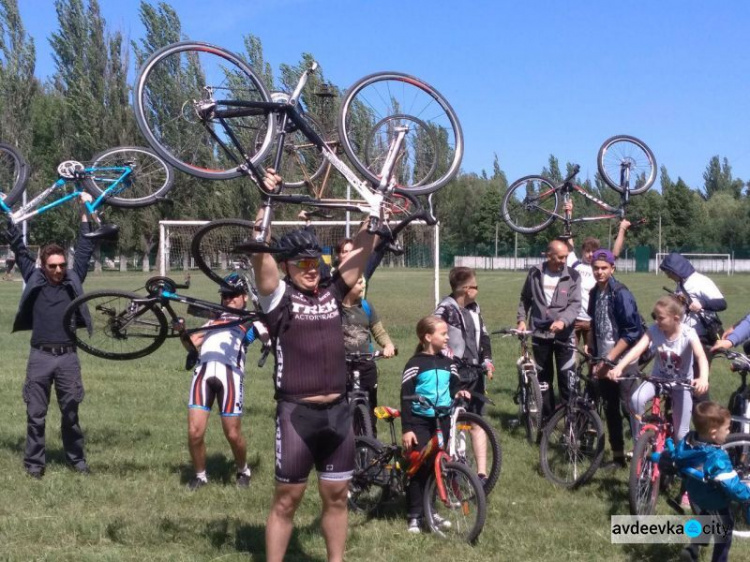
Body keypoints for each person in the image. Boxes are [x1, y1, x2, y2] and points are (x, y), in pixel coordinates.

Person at [250, 170, 379, 562]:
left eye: (315, 260)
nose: (310, 267)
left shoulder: (331, 291)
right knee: (287, 500)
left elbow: (361, 252)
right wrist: (266, 200)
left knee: (337, 496)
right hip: (297, 415)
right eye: (301, 262)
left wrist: (373, 214)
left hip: (338, 414)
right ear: (287, 266)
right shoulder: (277, 297)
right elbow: (260, 251)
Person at [3, 193, 96, 478]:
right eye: (52, 265)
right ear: (43, 265)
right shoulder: (34, 276)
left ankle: (77, 462)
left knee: (71, 415)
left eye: (60, 265)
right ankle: (34, 466)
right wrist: (8, 213)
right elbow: (18, 247)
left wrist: (85, 210)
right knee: (35, 415)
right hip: (40, 356)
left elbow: (84, 247)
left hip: (67, 357)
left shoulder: (73, 278)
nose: (58, 270)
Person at [177, 273, 264, 491]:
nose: (228, 299)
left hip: (230, 376)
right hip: (203, 373)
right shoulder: (212, 320)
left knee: (233, 434)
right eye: (225, 296)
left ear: (244, 297)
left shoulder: (250, 322)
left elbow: (267, 337)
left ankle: (243, 470)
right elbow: (192, 344)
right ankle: (200, 476)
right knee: (194, 432)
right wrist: (181, 332)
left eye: (233, 295)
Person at [609, 295, 709, 445]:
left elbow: (701, 356)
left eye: (661, 318)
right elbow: (637, 349)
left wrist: (703, 378)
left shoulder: (688, 333)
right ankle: (640, 440)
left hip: (681, 384)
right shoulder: (655, 330)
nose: (657, 321)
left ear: (675, 318)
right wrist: (619, 367)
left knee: (681, 434)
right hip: (658, 379)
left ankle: (676, 462)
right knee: (636, 399)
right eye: (655, 317)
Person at [401, 315, 469, 533]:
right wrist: (408, 429)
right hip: (420, 421)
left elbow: (454, 387)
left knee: (435, 467)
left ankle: (431, 510)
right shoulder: (414, 364)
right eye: (443, 333)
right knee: (419, 467)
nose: (447, 337)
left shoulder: (449, 364)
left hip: (443, 420)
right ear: (428, 337)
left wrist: (460, 392)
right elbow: (405, 397)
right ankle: (414, 515)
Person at [434, 266, 494, 483]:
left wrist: (487, 360)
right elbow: (433, 336)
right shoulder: (445, 310)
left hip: (474, 373)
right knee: (456, 420)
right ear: (466, 289)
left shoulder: (475, 308)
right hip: (455, 374)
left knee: (477, 421)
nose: (477, 290)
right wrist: (447, 355)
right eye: (475, 286)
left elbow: (484, 336)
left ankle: (481, 473)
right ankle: (455, 466)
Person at [585, 249, 645, 469]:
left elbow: (631, 332)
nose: (599, 272)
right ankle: (619, 458)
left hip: (624, 361)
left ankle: (643, 457)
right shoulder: (594, 293)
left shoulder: (621, 293)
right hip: (603, 358)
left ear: (612, 269)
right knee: (610, 407)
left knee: (629, 407)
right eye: (596, 268)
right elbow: (594, 322)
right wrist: (592, 351)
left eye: (604, 268)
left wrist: (609, 359)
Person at [671, 402, 750, 562]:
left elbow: (677, 459)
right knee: (724, 534)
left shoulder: (688, 441)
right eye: (727, 428)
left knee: (705, 519)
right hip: (716, 500)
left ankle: (693, 549)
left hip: (696, 494)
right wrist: (747, 494)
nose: (729, 431)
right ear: (714, 433)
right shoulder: (716, 458)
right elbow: (732, 486)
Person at [516, 239, 581, 419]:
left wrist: (563, 321)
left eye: (566, 257)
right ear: (548, 255)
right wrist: (521, 320)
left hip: (564, 336)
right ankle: (546, 422)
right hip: (539, 335)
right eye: (560, 257)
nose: (563, 260)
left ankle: (571, 422)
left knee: (567, 381)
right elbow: (525, 298)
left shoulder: (574, 275)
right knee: (543, 382)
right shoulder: (535, 273)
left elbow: (575, 305)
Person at [660, 252, 727, 404]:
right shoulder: (682, 283)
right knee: (680, 380)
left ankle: (706, 422)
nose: (668, 276)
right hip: (686, 337)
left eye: (669, 272)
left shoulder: (701, 281)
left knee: (698, 385)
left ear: (676, 270)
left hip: (703, 338)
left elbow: (722, 304)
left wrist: (702, 305)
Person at [341, 275, 396, 432]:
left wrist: (388, 345)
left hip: (366, 364)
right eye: (359, 283)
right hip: (342, 365)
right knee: (342, 410)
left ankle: (370, 444)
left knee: (370, 409)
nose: (362, 286)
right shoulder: (336, 309)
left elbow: (379, 331)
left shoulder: (366, 307)